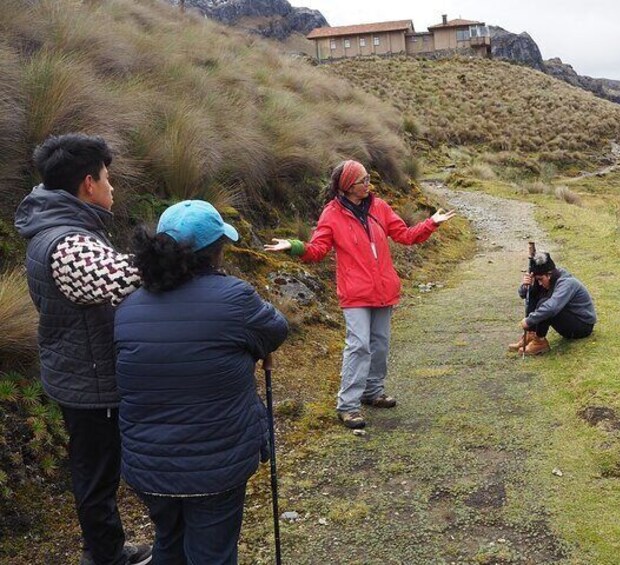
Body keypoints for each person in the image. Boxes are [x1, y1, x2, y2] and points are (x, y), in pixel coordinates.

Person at [115, 200, 289, 564]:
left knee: (169, 543)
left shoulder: (129, 308)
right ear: (215, 251)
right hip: (216, 466)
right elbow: (275, 328)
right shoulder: (235, 298)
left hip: (149, 466)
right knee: (212, 554)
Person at [14, 134, 151, 565]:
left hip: (74, 366)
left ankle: (108, 548)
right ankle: (105, 555)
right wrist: (182, 250)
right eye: (108, 180)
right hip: (89, 378)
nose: (113, 189)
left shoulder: (56, 225)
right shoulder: (70, 244)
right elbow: (132, 278)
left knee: (97, 473)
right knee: (97, 476)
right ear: (88, 184)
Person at [264, 160, 454, 429]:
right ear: (347, 186)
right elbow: (318, 250)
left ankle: (373, 392)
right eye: (363, 180)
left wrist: (431, 223)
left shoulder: (379, 207)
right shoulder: (331, 214)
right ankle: (348, 406)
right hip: (355, 294)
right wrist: (294, 246)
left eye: (368, 179)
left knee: (380, 344)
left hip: (384, 290)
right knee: (359, 345)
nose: (368, 184)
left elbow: (406, 236)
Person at [508, 251, 596, 355]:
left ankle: (539, 342)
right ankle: (531, 335)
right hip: (568, 318)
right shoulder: (549, 279)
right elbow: (524, 295)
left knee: (546, 305)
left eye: (541, 279)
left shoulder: (567, 283)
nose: (540, 283)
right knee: (534, 291)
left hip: (582, 326)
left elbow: (552, 308)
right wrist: (526, 286)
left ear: (549, 275)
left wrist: (529, 320)